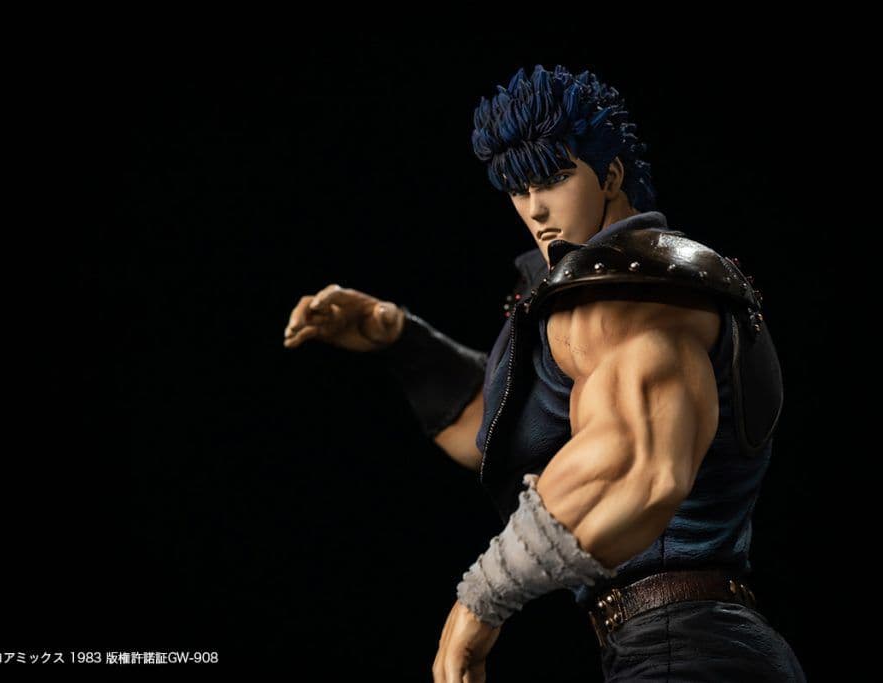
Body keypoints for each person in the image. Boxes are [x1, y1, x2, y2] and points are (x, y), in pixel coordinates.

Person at [283, 64, 806, 682]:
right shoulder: (595, 298)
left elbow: (636, 466)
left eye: (555, 178)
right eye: (518, 188)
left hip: (689, 650)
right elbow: (507, 438)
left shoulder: (637, 300)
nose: (536, 209)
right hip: (673, 645)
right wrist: (401, 339)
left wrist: (480, 600)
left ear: (611, 175)